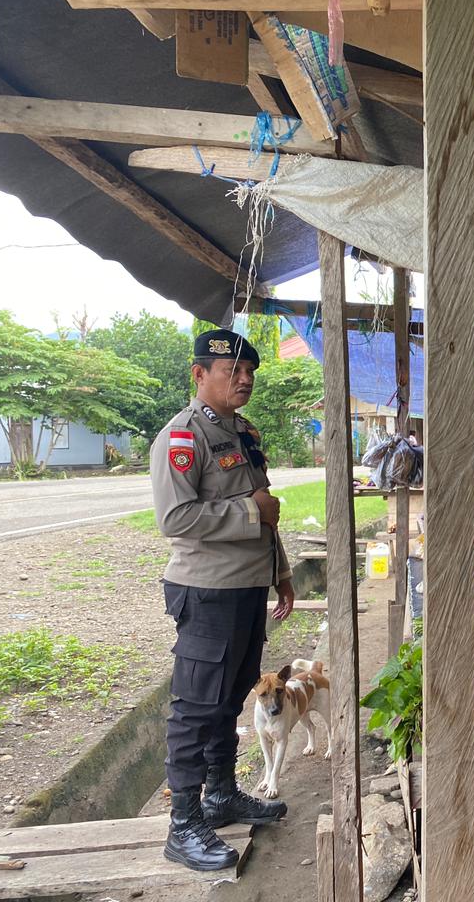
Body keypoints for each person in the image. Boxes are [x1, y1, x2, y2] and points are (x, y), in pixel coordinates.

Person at [151, 330, 296, 872]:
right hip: (206, 591)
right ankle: (183, 822)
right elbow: (176, 519)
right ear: (199, 375)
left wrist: (280, 572)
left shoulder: (241, 432)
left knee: (233, 696)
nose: (244, 378)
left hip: (244, 590)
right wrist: (252, 515)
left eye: (249, 370)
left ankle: (220, 793)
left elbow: (267, 509)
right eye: (231, 369)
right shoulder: (182, 438)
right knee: (195, 708)